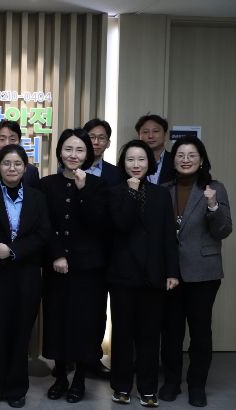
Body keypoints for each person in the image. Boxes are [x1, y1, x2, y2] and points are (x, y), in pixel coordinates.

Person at [0, 144, 52, 408]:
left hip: (26, 274)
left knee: (21, 333)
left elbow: (43, 234)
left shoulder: (37, 197)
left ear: (25, 168)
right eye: (6, 163)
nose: (12, 168)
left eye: (17, 164)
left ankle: (16, 389)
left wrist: (13, 250)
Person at [159, 136, 232, 407]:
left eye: (192, 155)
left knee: (200, 332)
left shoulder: (214, 188)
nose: (186, 159)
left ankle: (197, 385)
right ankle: (171, 381)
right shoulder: (164, 190)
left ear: (201, 160)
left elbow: (223, 230)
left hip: (203, 272)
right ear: (173, 160)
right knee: (171, 331)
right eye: (180, 155)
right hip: (170, 272)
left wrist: (213, 206)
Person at [108, 139, 179, 407]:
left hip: (154, 273)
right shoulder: (114, 192)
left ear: (150, 163)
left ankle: (148, 388)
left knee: (150, 335)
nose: (136, 164)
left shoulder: (161, 194)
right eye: (130, 159)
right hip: (123, 274)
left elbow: (168, 236)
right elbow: (122, 225)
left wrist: (172, 271)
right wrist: (132, 192)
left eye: (141, 159)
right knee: (122, 335)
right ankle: (121, 387)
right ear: (123, 163)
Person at [40, 128, 108, 403]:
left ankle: (79, 379)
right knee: (57, 321)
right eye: (68, 149)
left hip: (89, 269)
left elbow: (99, 224)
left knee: (84, 323)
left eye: (80, 150)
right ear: (60, 152)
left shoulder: (99, 185)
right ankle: (59, 377)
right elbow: (43, 225)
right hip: (56, 267)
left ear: (88, 154)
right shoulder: (46, 184)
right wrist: (56, 255)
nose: (73, 154)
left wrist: (83, 191)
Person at [82, 118, 123, 379]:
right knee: (76, 307)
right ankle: (71, 357)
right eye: (91, 137)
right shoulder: (70, 167)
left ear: (108, 143)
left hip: (107, 252)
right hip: (75, 253)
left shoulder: (116, 174)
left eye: (101, 138)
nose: (96, 142)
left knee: (99, 309)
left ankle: (93, 358)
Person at [0, 120, 40, 193]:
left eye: (12, 139)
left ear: (19, 142)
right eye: (2, 139)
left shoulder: (31, 171)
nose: (7, 143)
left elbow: (36, 197)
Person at [136, 114, 175, 185]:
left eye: (156, 131)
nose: (150, 136)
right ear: (139, 136)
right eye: (145, 132)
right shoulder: (132, 163)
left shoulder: (175, 160)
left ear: (165, 135)